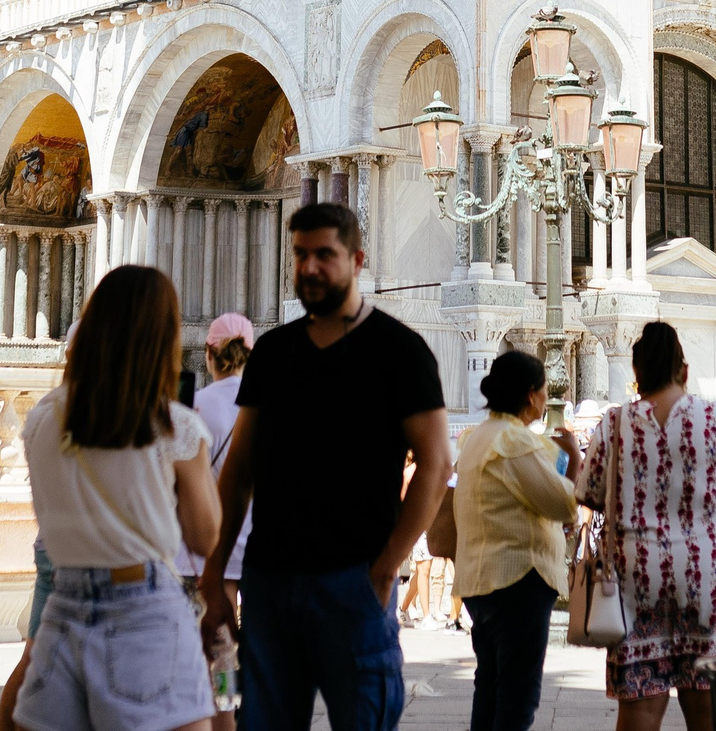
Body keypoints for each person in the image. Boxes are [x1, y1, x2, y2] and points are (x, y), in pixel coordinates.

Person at [201, 203, 448, 731]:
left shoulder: (400, 351)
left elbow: (435, 462)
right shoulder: (271, 352)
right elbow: (240, 466)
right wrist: (215, 572)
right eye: (300, 255)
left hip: (354, 582)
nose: (309, 267)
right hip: (271, 583)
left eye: (324, 255)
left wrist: (388, 566)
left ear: (358, 259)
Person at [3, 265, 219, 731]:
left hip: (63, 606)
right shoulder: (174, 426)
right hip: (142, 608)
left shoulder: (40, 420)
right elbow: (204, 537)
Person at [575, 321, 716, 731]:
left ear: (636, 373)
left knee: (640, 705)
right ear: (685, 370)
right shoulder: (714, 417)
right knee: (706, 704)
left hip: (635, 579)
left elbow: (587, 493)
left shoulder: (614, 423)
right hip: (706, 576)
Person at [454, 350, 582, 731]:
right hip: (517, 579)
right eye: (545, 391)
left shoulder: (477, 438)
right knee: (516, 695)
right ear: (531, 395)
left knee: (490, 687)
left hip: (481, 578)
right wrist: (573, 458)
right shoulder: (513, 441)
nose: (547, 399)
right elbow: (562, 504)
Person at [190, 315, 255, 731]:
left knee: (218, 645)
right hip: (264, 540)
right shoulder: (271, 405)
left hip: (218, 541)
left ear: (210, 354)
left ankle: (225, 716)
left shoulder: (197, 406)